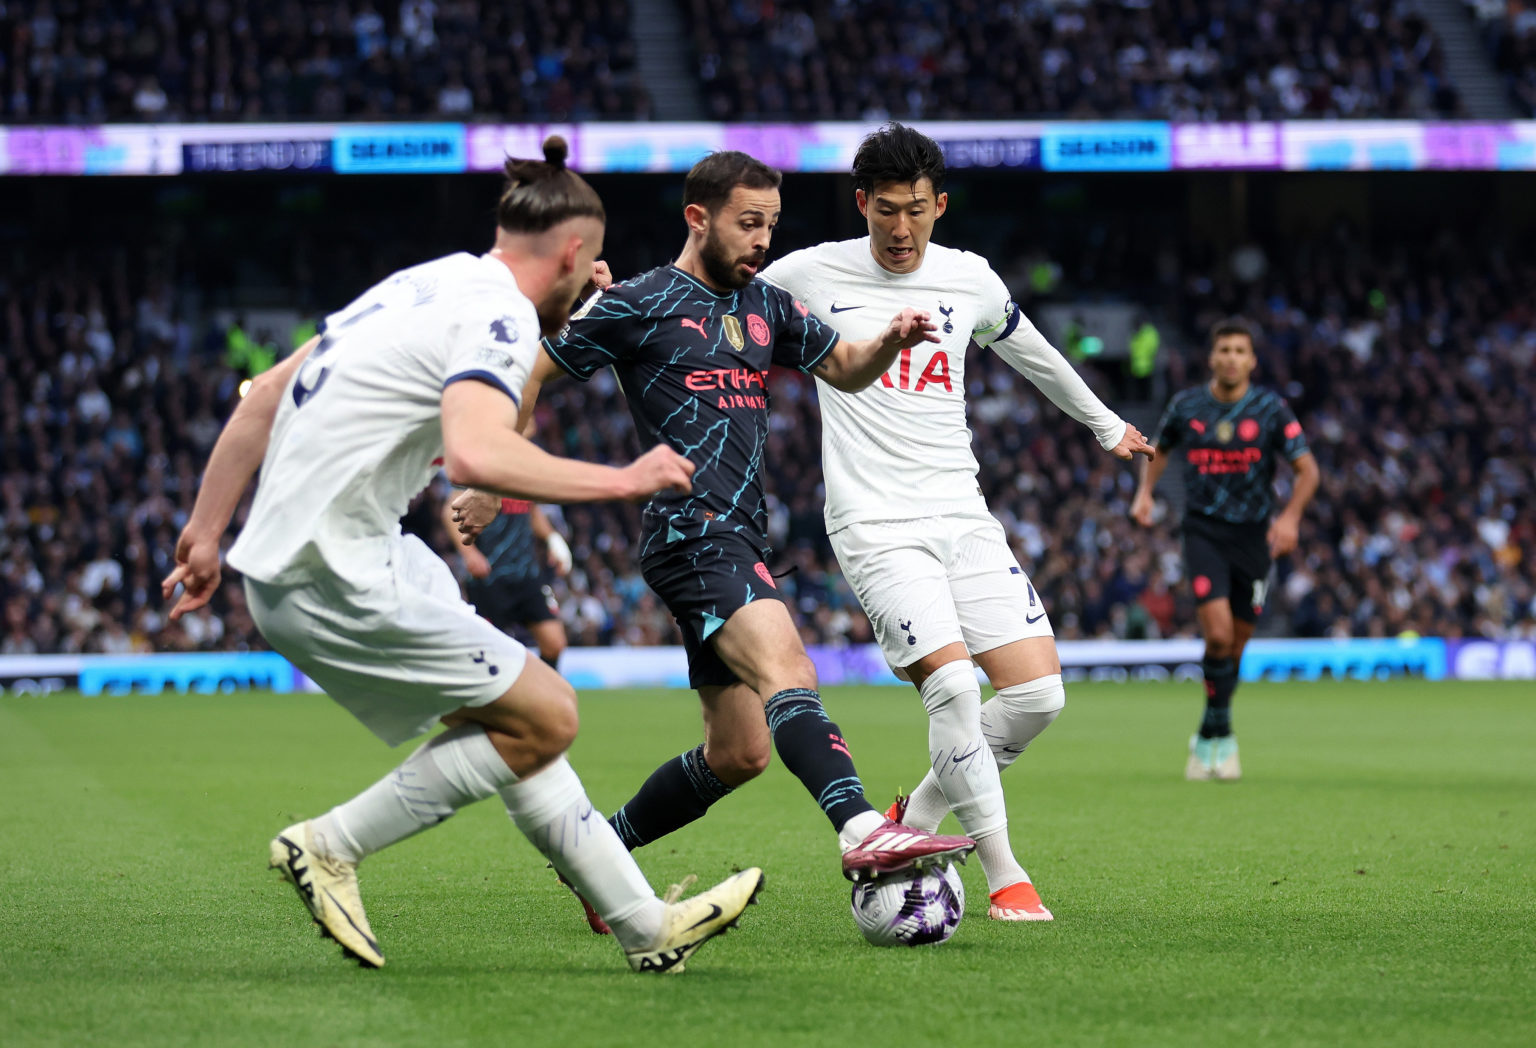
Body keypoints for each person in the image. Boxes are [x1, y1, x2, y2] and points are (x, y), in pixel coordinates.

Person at [160, 137, 762, 975]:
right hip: (330, 571)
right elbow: (477, 455)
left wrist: (203, 535)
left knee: (512, 721)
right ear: (572, 253)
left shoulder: (429, 280)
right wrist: (624, 478)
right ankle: (329, 845)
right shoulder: (502, 314)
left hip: (336, 554)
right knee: (550, 713)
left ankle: (642, 926)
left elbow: (262, 393)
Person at [454, 150, 976, 935]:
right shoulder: (639, 302)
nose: (763, 238)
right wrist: (494, 472)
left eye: (771, 223)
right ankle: (865, 828)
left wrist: (893, 340)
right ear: (697, 218)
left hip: (740, 537)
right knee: (788, 666)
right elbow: (531, 369)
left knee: (739, 753)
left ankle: (599, 858)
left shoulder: (767, 305)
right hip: (690, 532)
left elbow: (845, 366)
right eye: (747, 223)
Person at [760, 122, 1152, 923]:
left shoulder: (968, 278)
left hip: (961, 511)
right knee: (952, 688)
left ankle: (918, 821)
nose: (901, 231)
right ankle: (1007, 876)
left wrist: (1106, 424)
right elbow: (706, 298)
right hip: (874, 521)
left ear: (940, 204)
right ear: (860, 203)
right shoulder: (806, 272)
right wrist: (605, 294)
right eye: (885, 213)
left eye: (916, 211)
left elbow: (1033, 350)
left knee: (1038, 696)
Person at [1132, 316, 1319, 781]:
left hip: (1254, 538)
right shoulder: (1188, 405)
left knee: (1234, 648)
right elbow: (1160, 451)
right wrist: (1144, 493)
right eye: (1224, 350)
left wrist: (1291, 516)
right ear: (1212, 358)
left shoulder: (1270, 409)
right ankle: (1223, 736)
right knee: (1216, 635)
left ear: (1252, 360)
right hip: (1204, 533)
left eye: (1240, 351)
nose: (1231, 358)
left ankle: (1211, 733)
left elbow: (1308, 471)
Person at [442, 492, 571, 670]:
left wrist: (552, 538)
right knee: (488, 651)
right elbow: (450, 509)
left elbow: (531, 510)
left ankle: (538, 694)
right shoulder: (483, 470)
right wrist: (469, 553)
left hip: (527, 575)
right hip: (489, 578)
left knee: (554, 642)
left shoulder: (522, 477)